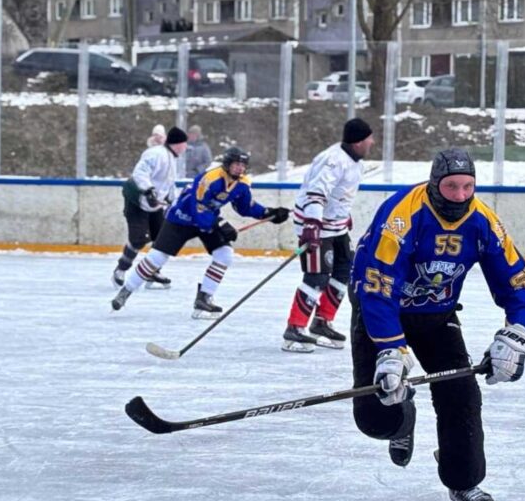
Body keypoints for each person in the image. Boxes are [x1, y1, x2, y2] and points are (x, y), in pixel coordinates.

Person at [349, 147, 525, 501]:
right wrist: (390, 349)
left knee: (462, 396)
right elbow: (377, 285)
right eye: (452, 186)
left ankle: (464, 480)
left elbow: (518, 279)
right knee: (375, 417)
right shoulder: (402, 216)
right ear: (435, 184)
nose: (460, 195)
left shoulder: (483, 220)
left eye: (468, 186)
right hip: (380, 311)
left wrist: (517, 332)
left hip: (437, 316)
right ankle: (401, 419)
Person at [111, 147, 290, 317]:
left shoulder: (242, 183)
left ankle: (204, 298)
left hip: (208, 219)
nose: (240, 168)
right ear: (227, 164)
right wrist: (221, 224)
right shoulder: (209, 179)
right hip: (181, 218)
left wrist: (268, 213)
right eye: (237, 164)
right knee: (158, 257)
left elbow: (244, 207)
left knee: (225, 255)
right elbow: (199, 209)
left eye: (243, 165)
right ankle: (126, 290)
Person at [280, 118, 374, 353]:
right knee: (317, 276)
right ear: (358, 142)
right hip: (316, 225)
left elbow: (341, 194)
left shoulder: (356, 163)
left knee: (345, 270)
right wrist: (312, 224)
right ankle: (295, 327)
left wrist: (345, 215)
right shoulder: (332, 160)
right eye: (368, 138)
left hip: (336, 226)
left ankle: (322, 321)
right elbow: (316, 193)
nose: (372, 142)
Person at [112, 126, 187, 290]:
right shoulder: (156, 153)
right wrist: (148, 191)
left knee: (162, 238)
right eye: (184, 144)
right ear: (177, 144)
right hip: (137, 201)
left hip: (153, 205)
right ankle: (121, 269)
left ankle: (152, 271)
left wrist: (173, 200)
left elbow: (168, 183)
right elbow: (140, 172)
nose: (185, 147)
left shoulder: (172, 158)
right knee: (138, 238)